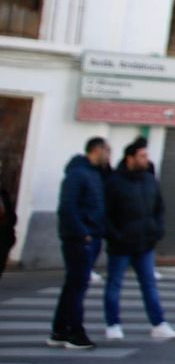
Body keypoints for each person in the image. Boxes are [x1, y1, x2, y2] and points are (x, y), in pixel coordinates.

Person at [102, 137, 175, 341]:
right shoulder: (114, 182)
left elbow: (159, 208)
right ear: (130, 158)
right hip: (121, 244)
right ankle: (113, 324)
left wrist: (158, 229)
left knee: (149, 285)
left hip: (145, 243)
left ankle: (158, 324)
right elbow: (105, 213)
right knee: (114, 284)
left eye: (147, 156)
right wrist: (115, 235)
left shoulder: (149, 180)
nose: (146, 159)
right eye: (142, 156)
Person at [48, 137, 108, 349]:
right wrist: (83, 234)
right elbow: (67, 207)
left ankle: (59, 330)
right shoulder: (77, 174)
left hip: (90, 236)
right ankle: (75, 333)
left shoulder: (94, 173)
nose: (108, 156)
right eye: (106, 151)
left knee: (73, 285)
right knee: (78, 287)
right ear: (97, 150)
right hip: (80, 239)